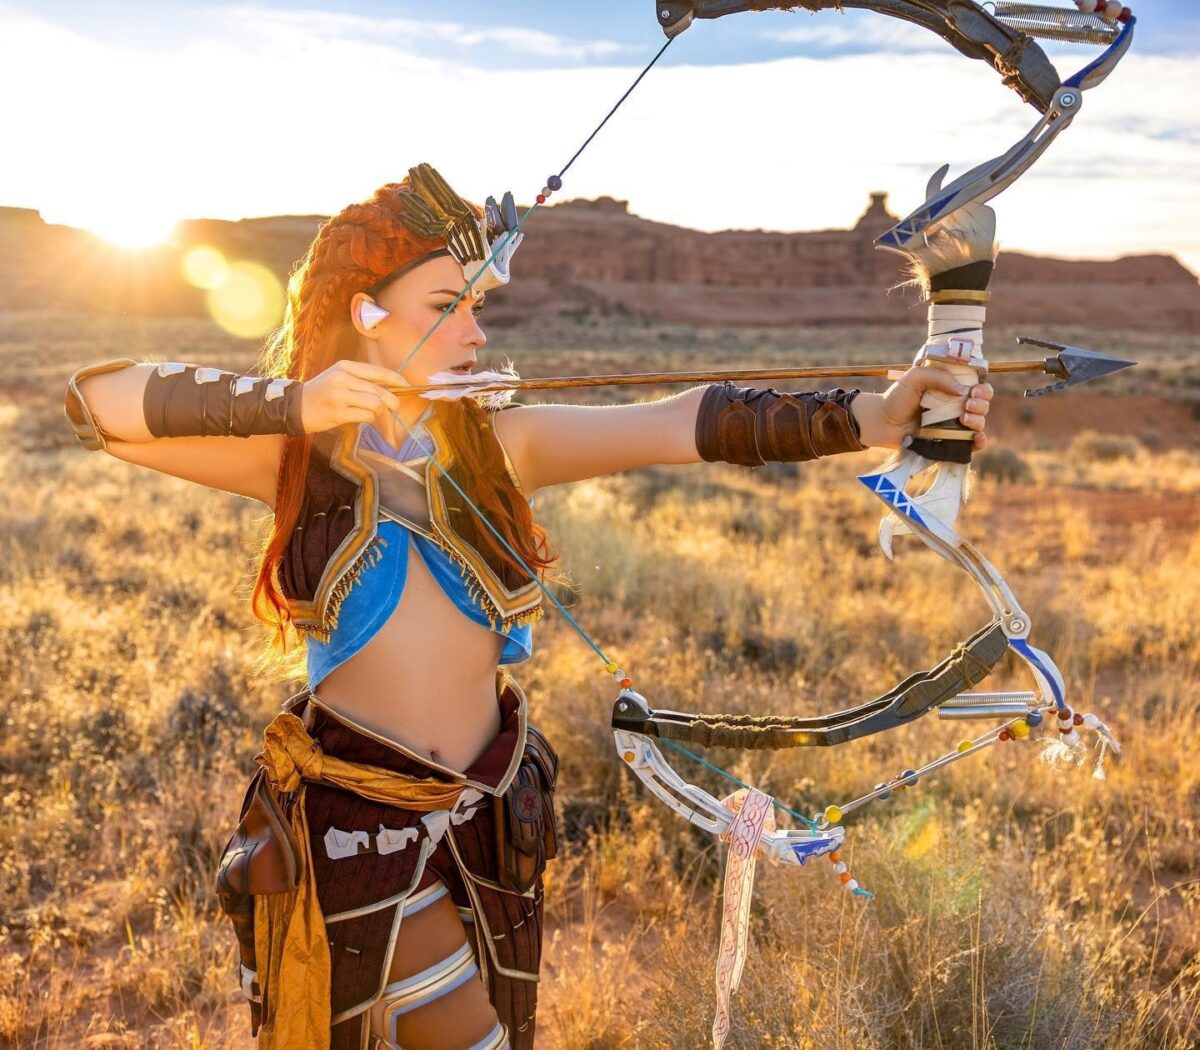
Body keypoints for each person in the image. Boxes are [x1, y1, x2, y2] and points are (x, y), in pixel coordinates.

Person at [63, 164, 995, 1050]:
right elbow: (98, 402)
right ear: (366, 314)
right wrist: (294, 403)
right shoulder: (293, 460)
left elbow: (680, 423)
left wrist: (872, 416)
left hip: (492, 818)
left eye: (477, 306)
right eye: (445, 306)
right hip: (357, 819)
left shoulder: (503, 448)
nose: (473, 332)